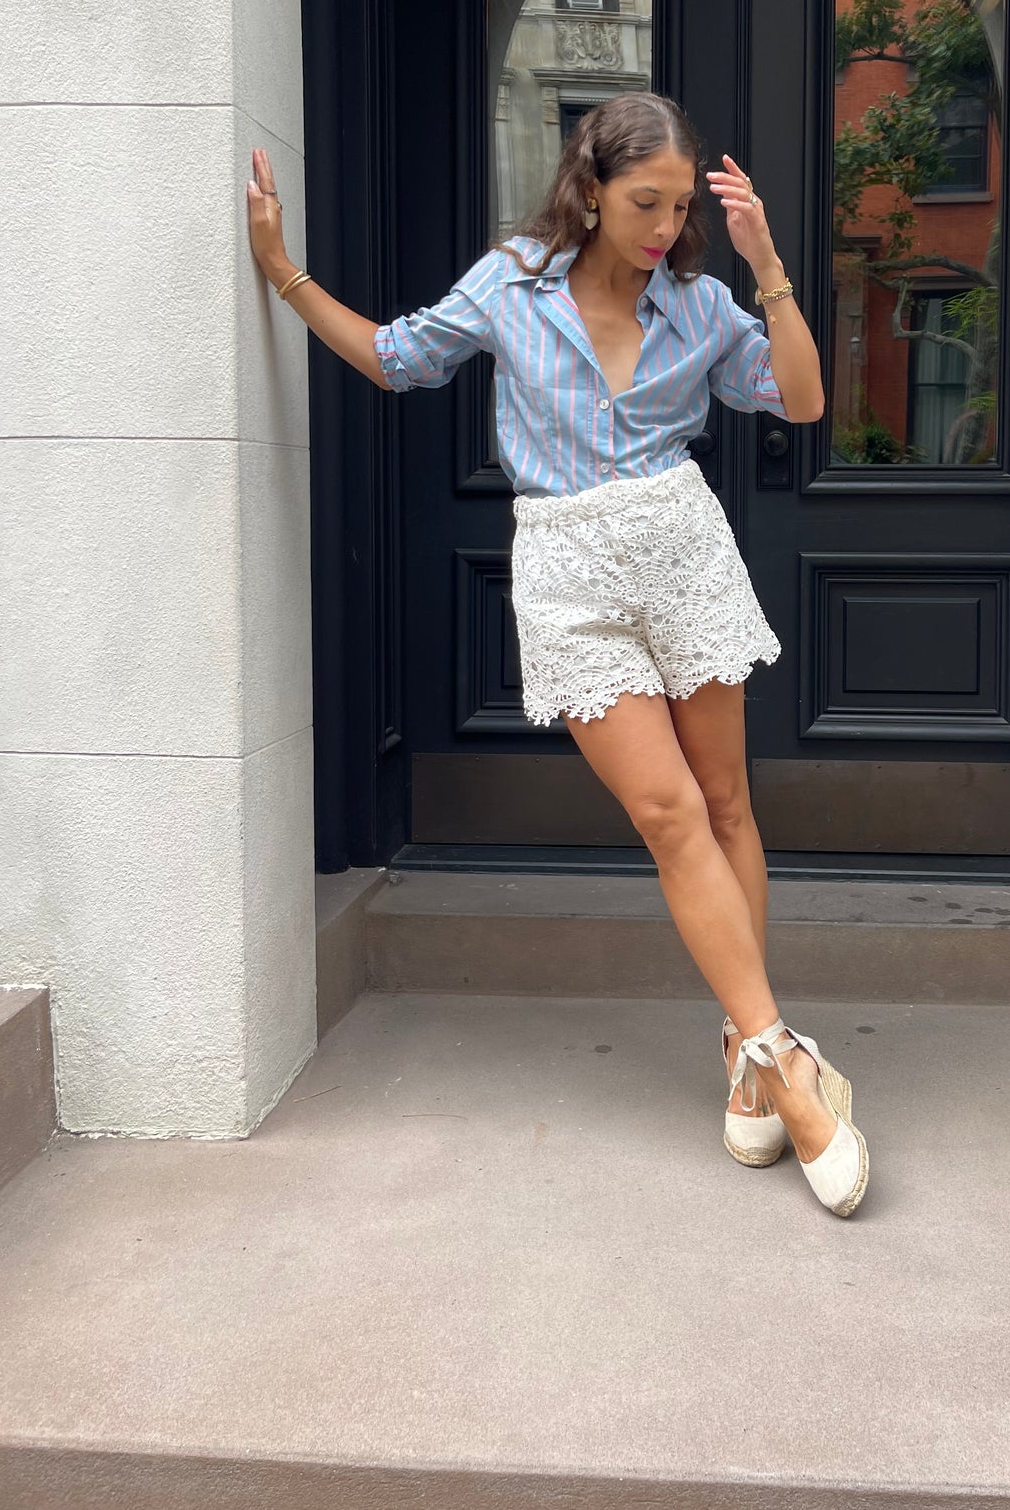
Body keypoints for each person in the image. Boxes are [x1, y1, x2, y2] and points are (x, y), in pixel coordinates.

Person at [246, 90, 868, 1217]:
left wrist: (765, 261)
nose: (665, 228)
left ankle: (741, 1045)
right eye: (646, 202)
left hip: (681, 546)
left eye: (680, 208)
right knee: (669, 815)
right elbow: (396, 358)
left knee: (727, 804)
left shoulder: (702, 299)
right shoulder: (512, 283)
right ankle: (787, 1060)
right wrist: (285, 275)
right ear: (589, 188)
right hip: (568, 570)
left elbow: (806, 397)